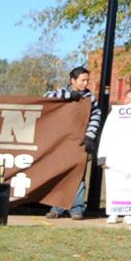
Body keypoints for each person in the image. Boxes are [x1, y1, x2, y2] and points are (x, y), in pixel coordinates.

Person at [44, 65, 99, 219]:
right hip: (60, 142)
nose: (85, 83)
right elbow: (46, 97)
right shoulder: (61, 92)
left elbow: (96, 116)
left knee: (78, 175)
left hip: (79, 142)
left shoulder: (90, 98)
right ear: (73, 80)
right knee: (59, 174)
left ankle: (77, 208)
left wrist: (90, 136)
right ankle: (57, 208)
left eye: (87, 80)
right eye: (82, 80)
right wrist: (69, 96)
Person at [105, 89, 131, 225]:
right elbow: (106, 134)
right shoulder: (114, 114)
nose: (130, 102)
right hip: (115, 155)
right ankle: (113, 213)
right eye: (128, 98)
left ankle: (129, 213)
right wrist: (103, 156)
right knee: (115, 183)